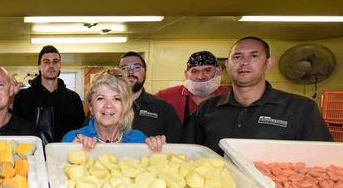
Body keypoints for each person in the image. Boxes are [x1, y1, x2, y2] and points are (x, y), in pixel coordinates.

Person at [185, 36, 333, 154]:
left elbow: (324, 158)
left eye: (254, 56)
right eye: (237, 57)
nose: (244, 62)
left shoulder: (301, 109)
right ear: (227, 66)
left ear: (268, 63)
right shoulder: (207, 108)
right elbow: (189, 152)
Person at [61, 68, 165, 151]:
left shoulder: (139, 139)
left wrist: (158, 150)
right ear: (91, 107)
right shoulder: (72, 139)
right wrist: (71, 153)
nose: (108, 105)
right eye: (101, 98)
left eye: (117, 99)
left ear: (125, 107)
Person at [12, 45, 85, 144]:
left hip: (64, 155)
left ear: (60, 66)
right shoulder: (23, 97)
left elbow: (81, 131)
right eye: (46, 62)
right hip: (33, 155)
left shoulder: (73, 98)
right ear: (39, 66)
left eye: (55, 61)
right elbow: (14, 128)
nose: (51, 65)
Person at [118, 52, 183, 142]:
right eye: (124, 68)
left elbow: (176, 145)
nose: (130, 72)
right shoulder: (105, 107)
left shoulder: (164, 108)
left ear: (145, 72)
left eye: (136, 67)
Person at [156, 50, 230, 125]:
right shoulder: (165, 96)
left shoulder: (230, 95)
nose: (200, 77)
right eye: (194, 71)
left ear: (218, 71)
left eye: (207, 70)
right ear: (186, 74)